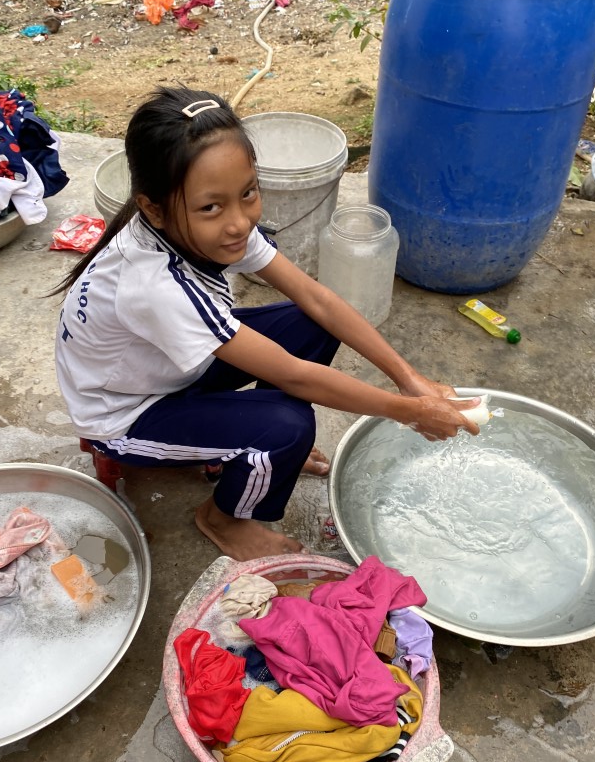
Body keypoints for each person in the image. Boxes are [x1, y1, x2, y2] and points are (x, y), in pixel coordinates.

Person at [53, 86, 480, 562]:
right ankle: (224, 517)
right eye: (211, 207)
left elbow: (317, 299)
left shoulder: (205, 229)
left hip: (162, 367)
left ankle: (258, 450)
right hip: (124, 413)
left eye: (248, 193)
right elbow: (295, 376)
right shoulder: (154, 285)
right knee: (289, 427)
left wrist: (408, 378)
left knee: (312, 325)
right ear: (153, 208)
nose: (239, 222)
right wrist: (409, 411)